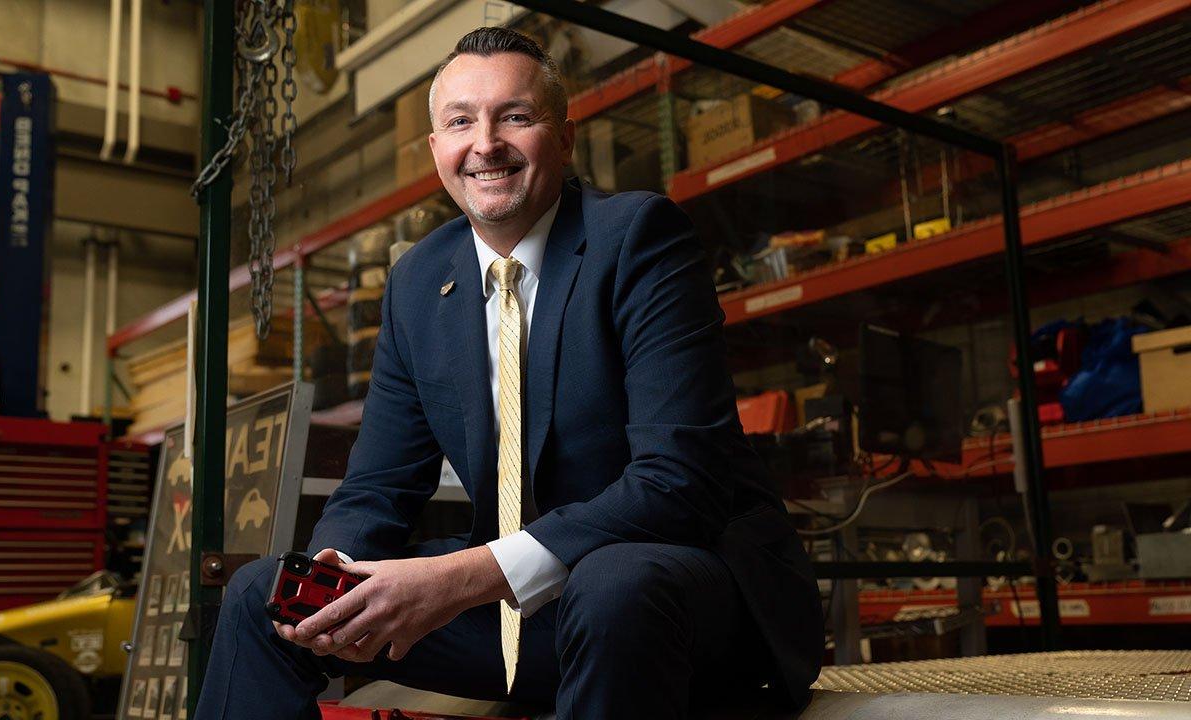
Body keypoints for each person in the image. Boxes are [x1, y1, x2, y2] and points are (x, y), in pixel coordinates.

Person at [194, 27, 822, 720]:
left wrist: (460, 579)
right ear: (435, 148)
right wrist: (338, 578)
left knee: (614, 583)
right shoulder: (418, 282)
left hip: (674, 603)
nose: (485, 143)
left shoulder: (640, 238)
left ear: (565, 138)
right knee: (262, 594)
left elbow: (678, 482)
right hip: (521, 622)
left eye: (515, 117)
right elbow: (376, 486)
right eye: (460, 121)